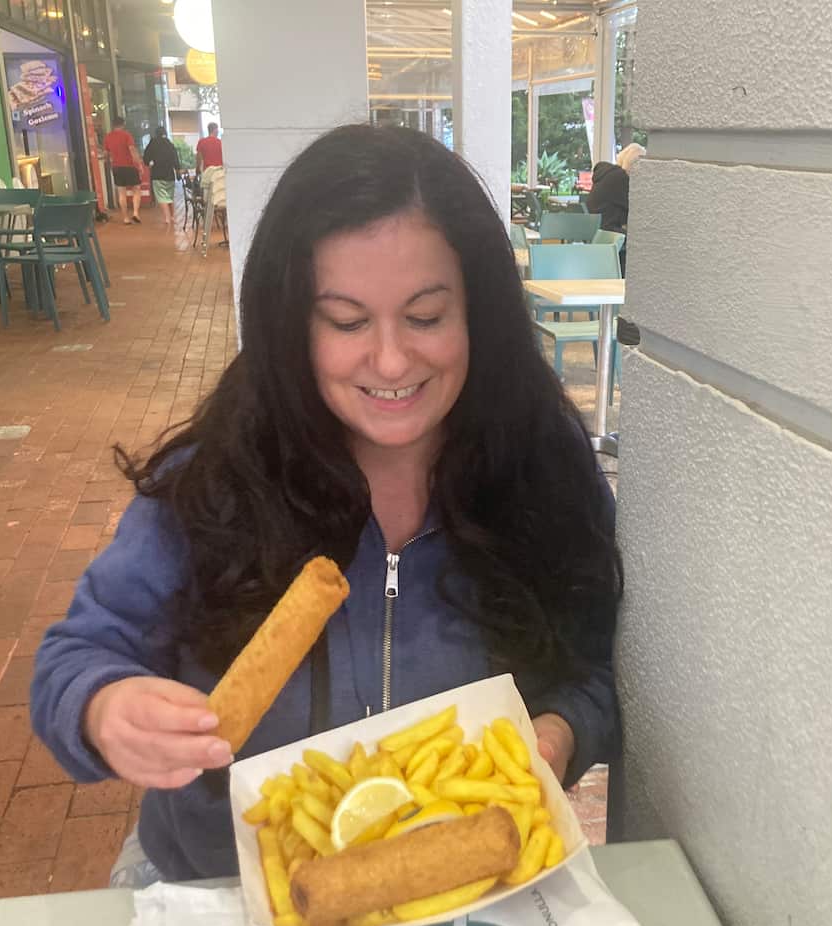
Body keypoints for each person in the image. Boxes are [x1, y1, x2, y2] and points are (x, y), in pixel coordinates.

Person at [31, 124, 621, 885]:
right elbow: (74, 658)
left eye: (426, 316)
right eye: (346, 322)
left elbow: (599, 665)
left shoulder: (540, 471)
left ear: (479, 313)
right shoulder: (215, 479)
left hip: (455, 890)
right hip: (217, 889)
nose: (391, 360)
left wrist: (564, 731)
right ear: (292, 324)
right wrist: (104, 708)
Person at [585, 142, 646, 234]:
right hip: (608, 233)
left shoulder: (607, 175)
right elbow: (638, 206)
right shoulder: (620, 178)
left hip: (596, 230)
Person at [104, 117, 143, 224]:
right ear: (123, 124)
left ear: (113, 125)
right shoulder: (126, 135)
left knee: (121, 192)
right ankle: (135, 213)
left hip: (116, 167)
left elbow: (106, 153)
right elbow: (132, 149)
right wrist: (139, 164)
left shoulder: (108, 137)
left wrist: (109, 163)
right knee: (136, 189)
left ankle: (125, 218)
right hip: (130, 166)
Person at [143, 126, 181, 229]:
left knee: (161, 197)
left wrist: (150, 163)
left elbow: (146, 158)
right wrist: (178, 171)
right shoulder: (169, 144)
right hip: (169, 174)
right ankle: (172, 216)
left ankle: (167, 218)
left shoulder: (153, 143)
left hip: (157, 173)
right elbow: (175, 159)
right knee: (169, 196)